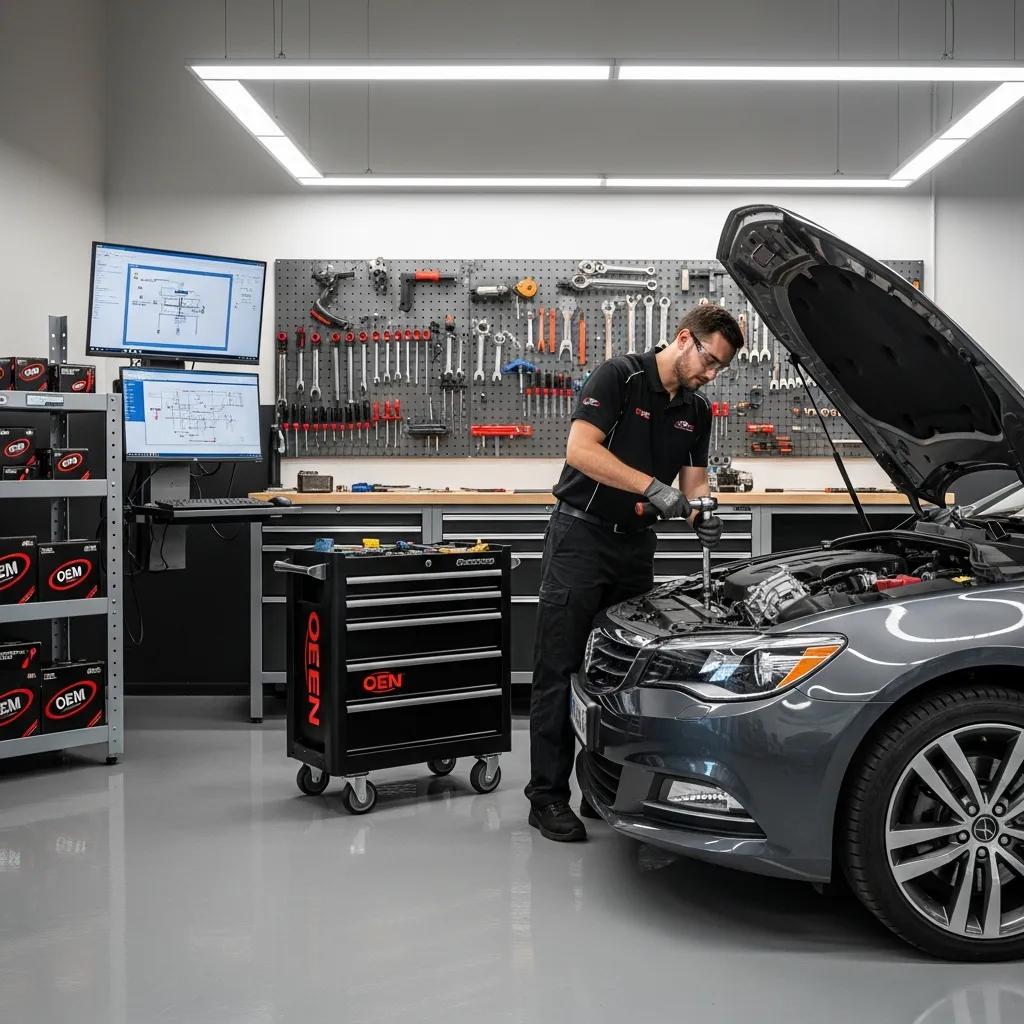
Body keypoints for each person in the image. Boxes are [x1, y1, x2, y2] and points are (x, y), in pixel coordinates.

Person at [525, 302, 745, 841]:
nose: (711, 376)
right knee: (560, 669)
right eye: (709, 361)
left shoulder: (697, 409)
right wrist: (651, 486)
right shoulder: (618, 377)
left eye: (721, 369)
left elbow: (693, 483)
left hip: (634, 548)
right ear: (684, 338)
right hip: (580, 536)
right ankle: (547, 798)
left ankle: (599, 788)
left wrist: (703, 511)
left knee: (617, 676)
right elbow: (580, 450)